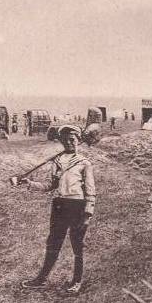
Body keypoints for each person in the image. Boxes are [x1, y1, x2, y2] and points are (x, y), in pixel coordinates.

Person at [20, 123, 101, 294]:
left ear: (78, 140)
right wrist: (30, 184)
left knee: (76, 243)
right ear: (62, 141)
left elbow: (91, 191)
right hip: (59, 205)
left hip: (77, 206)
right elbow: (50, 185)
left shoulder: (84, 163)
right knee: (53, 242)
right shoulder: (56, 161)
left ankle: (77, 281)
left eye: (72, 139)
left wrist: (87, 214)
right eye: (65, 140)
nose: (69, 143)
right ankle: (41, 279)